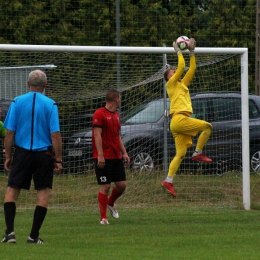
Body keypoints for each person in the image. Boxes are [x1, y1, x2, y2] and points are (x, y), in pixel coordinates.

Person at [1, 70, 62, 244]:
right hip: (44, 154)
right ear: (45, 85)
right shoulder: (51, 104)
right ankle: (33, 236)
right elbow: (55, 134)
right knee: (43, 194)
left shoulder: (16, 102)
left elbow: (10, 132)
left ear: (28, 84)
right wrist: (58, 160)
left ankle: (10, 234)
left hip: (22, 153)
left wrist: (8, 155)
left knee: (12, 190)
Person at [161, 38, 213, 197]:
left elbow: (191, 68)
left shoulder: (182, 84)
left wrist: (191, 52)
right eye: (172, 70)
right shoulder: (170, 85)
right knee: (207, 127)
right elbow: (182, 66)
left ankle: (168, 181)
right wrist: (178, 51)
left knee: (180, 154)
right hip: (179, 119)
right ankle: (198, 152)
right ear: (169, 77)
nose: (175, 69)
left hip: (177, 123)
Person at [92, 89, 130, 224]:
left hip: (116, 156)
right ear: (116, 99)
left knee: (122, 185)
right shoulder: (99, 113)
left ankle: (110, 203)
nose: (120, 100)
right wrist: (100, 155)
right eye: (120, 98)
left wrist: (124, 152)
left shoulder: (117, 115)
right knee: (105, 186)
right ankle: (103, 218)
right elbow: (97, 135)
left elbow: (117, 136)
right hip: (103, 156)